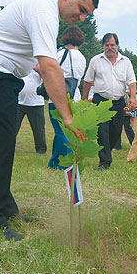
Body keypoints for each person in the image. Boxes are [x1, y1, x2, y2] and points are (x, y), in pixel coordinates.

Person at [0, 0, 99, 241]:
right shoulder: (43, 11)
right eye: (81, 9)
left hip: (1, 76)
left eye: (86, 15)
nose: (80, 18)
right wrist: (67, 117)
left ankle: (3, 207)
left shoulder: (46, 12)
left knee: (1, 145)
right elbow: (49, 67)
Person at [82, 33, 137, 170]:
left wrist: (132, 97)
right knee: (102, 131)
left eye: (112, 45)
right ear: (103, 46)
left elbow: (132, 81)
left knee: (116, 131)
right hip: (100, 100)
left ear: (117, 46)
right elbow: (87, 81)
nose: (109, 48)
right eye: (107, 45)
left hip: (118, 101)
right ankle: (104, 161)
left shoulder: (126, 61)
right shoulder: (96, 60)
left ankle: (107, 151)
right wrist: (84, 100)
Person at [48, 24, 86, 170]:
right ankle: (54, 162)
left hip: (57, 98)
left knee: (60, 131)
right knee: (65, 129)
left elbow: (49, 71)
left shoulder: (60, 54)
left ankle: (69, 162)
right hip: (74, 97)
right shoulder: (82, 58)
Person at [16, 69, 47, 154]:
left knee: (38, 129)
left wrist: (37, 69)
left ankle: (41, 150)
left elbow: (47, 76)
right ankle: (8, 146)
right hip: (19, 101)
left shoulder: (39, 64)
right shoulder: (23, 63)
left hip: (35, 103)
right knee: (13, 126)